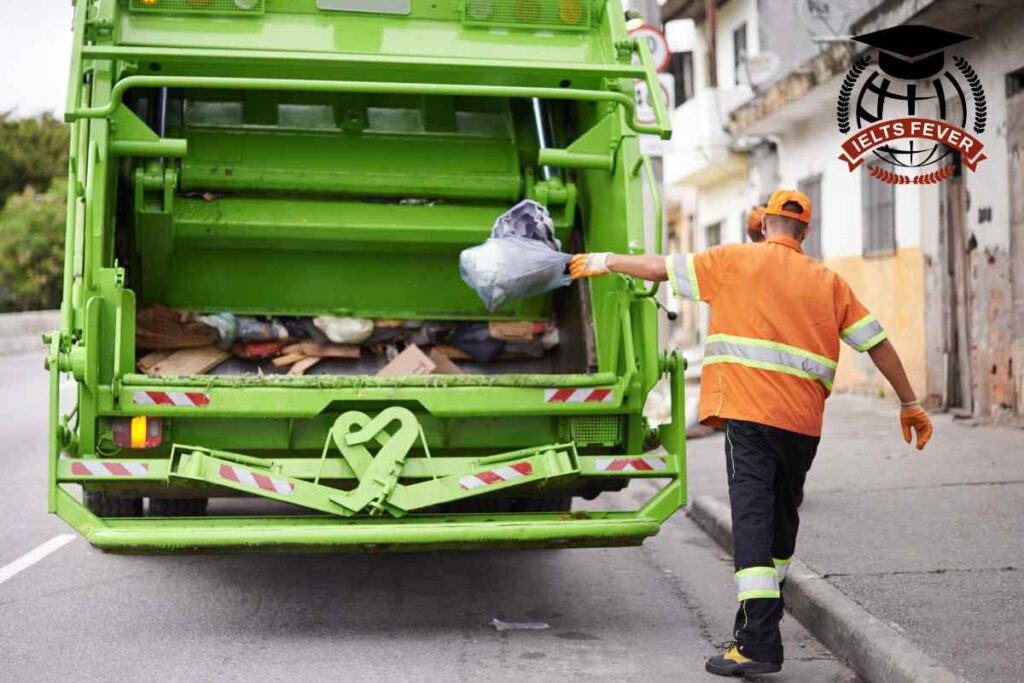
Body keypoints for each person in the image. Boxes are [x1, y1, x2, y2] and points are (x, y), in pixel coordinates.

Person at [569, 189, 932, 677]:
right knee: (781, 520)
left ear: (763, 225)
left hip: (748, 414)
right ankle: (756, 625)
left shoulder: (731, 260)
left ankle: (759, 642)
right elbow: (878, 343)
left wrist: (604, 259)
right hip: (803, 424)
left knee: (754, 522)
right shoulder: (829, 281)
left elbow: (659, 268)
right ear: (805, 232)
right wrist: (909, 402)